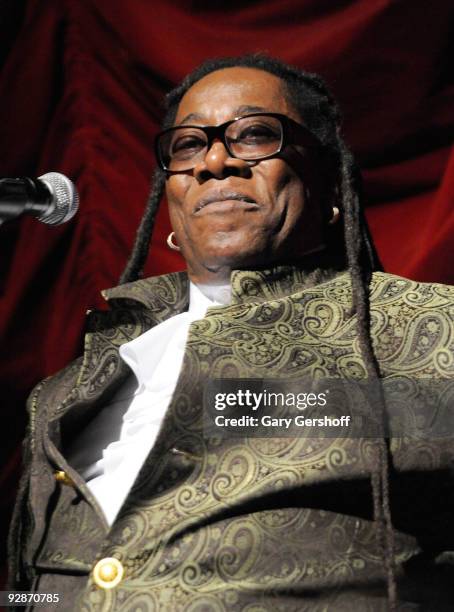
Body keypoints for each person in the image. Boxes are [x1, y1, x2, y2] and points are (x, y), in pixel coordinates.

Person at [8, 54, 454, 611]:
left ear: (330, 183)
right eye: (188, 145)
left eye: (255, 135)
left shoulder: (431, 332)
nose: (215, 161)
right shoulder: (69, 390)